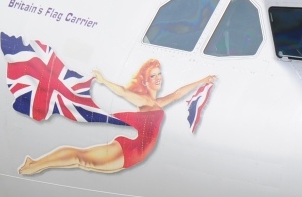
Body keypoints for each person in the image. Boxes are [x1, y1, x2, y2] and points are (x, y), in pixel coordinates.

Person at [18, 59, 216, 175]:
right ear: (145, 82)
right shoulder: (143, 101)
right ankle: (34, 165)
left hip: (134, 155)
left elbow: (178, 93)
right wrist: (104, 81)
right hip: (128, 150)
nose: (158, 79)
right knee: (82, 159)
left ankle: (35, 165)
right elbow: (122, 91)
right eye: (153, 76)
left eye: (159, 74)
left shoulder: (157, 103)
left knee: (81, 160)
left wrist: (203, 81)